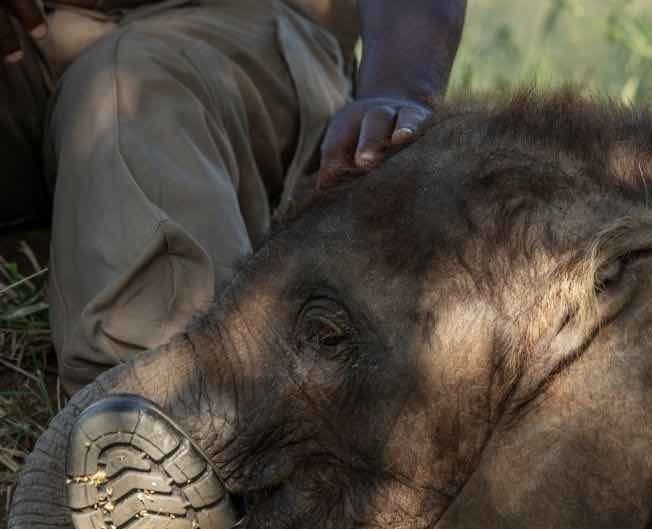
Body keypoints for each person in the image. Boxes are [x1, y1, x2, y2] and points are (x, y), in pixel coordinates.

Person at [0, 0, 467, 394]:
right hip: (27, 39)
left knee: (128, 92)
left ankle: (169, 412)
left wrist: (397, 89)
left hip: (233, 25)